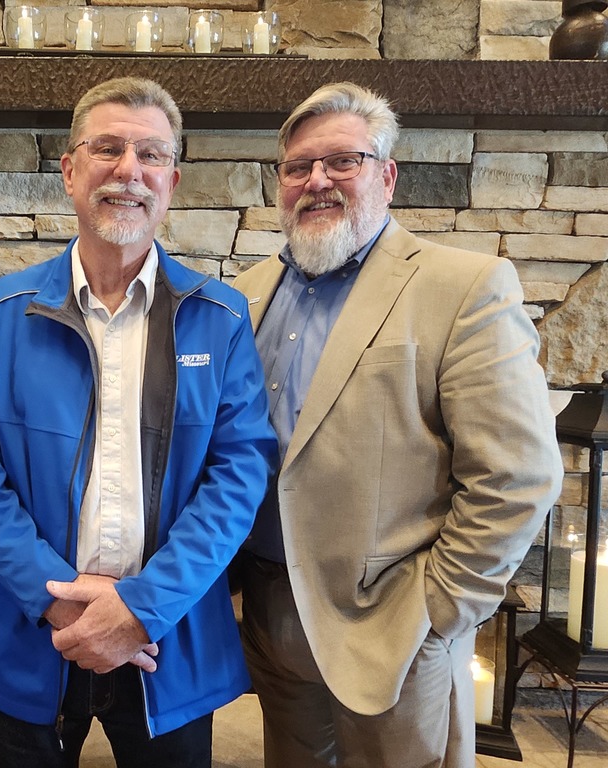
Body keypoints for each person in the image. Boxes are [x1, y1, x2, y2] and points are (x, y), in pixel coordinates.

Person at [0, 77, 275, 768]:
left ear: (172, 180)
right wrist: (56, 599)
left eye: (151, 154)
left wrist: (143, 607)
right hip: (37, 633)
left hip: (165, 641)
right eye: (108, 148)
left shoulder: (223, 316)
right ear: (68, 171)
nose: (129, 170)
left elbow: (239, 473)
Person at [233, 81, 564, 768]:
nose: (316, 180)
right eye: (298, 167)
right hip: (270, 615)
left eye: (342, 161)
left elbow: (519, 473)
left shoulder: (464, 286)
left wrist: (442, 609)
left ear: (386, 175)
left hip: (395, 626)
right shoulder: (245, 294)